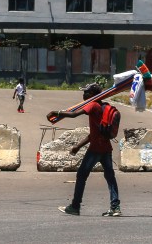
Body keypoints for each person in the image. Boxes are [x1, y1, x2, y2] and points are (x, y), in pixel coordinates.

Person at [47, 83, 121, 217]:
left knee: (81, 175)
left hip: (95, 149)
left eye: (86, 92)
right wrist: (78, 146)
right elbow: (94, 133)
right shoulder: (103, 107)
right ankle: (115, 207)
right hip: (106, 148)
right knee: (110, 177)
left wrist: (56, 112)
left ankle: (75, 206)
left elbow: (74, 114)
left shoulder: (92, 105)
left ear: (92, 94)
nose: (83, 95)